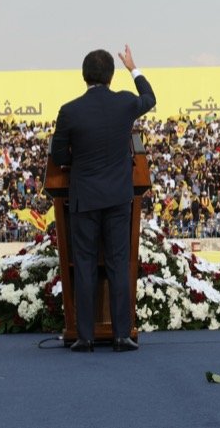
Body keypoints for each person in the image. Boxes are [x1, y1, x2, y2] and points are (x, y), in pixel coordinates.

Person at [50, 45, 155, 353]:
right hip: (119, 197)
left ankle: (85, 337)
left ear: (84, 76)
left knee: (84, 264)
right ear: (111, 76)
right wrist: (133, 68)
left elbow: (59, 156)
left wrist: (79, 160)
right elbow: (150, 98)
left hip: (84, 198)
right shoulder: (125, 103)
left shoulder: (70, 111)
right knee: (118, 264)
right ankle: (122, 336)